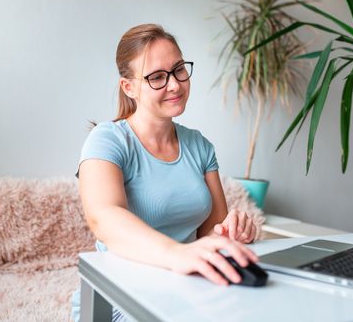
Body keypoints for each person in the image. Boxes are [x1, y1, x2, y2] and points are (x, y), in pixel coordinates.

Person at [71, 24, 259, 322]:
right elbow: (103, 217)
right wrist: (176, 254)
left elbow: (211, 231)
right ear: (128, 87)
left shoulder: (200, 146)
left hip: (189, 291)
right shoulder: (108, 140)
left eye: (179, 70)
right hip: (120, 297)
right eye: (157, 77)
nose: (174, 84)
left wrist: (231, 231)